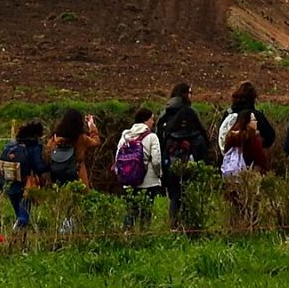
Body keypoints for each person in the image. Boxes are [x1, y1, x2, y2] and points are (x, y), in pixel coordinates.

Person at [155, 83, 212, 224]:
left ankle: (173, 224)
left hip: (170, 159)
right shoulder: (191, 112)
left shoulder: (164, 113)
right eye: (190, 93)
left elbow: (159, 138)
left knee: (174, 195)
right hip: (191, 158)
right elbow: (202, 135)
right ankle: (190, 224)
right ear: (186, 94)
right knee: (189, 192)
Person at [115, 107, 164, 228]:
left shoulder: (125, 136)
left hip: (129, 180)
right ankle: (144, 234)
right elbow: (156, 161)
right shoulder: (152, 137)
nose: (153, 122)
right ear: (146, 120)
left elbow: (117, 158)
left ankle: (128, 233)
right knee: (146, 212)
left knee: (131, 211)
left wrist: (122, 174)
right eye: (152, 119)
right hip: (149, 181)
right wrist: (158, 175)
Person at [215, 83, 275, 176]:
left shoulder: (228, 114)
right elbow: (270, 137)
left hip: (228, 165)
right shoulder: (255, 115)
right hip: (251, 167)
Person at [0, 119, 49, 228]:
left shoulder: (11, 145)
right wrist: (49, 167)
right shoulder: (34, 147)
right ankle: (17, 232)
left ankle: (19, 234)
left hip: (10, 183)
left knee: (19, 214)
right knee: (23, 216)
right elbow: (38, 167)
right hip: (25, 184)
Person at [46, 109, 100, 186]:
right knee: (80, 191)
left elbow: (48, 153)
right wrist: (91, 125)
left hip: (57, 176)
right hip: (78, 175)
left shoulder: (55, 137)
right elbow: (96, 142)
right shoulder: (81, 138)